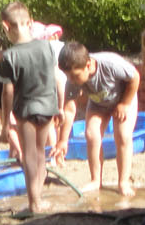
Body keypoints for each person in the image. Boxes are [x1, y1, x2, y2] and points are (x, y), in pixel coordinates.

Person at [0, 1, 66, 214]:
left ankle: (33, 203)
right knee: (40, 153)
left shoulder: (10, 56)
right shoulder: (47, 47)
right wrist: (59, 107)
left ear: (6, 26)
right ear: (31, 23)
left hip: (26, 110)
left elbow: (7, 92)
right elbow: (56, 78)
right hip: (48, 107)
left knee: (29, 156)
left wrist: (7, 122)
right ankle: (39, 199)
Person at [58, 42, 140, 197]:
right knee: (91, 135)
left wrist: (124, 104)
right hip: (98, 104)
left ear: (88, 65)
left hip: (123, 98)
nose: (72, 80)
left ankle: (123, 181)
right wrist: (63, 140)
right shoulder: (73, 80)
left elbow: (135, 77)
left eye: (75, 76)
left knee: (122, 135)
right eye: (69, 76)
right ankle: (96, 180)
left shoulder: (110, 65)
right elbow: (69, 110)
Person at [0, 21, 64, 165]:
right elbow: (9, 126)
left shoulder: (33, 83)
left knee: (20, 130)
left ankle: (13, 164)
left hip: (9, 92)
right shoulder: (8, 84)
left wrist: (52, 156)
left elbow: (49, 126)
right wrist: (23, 154)